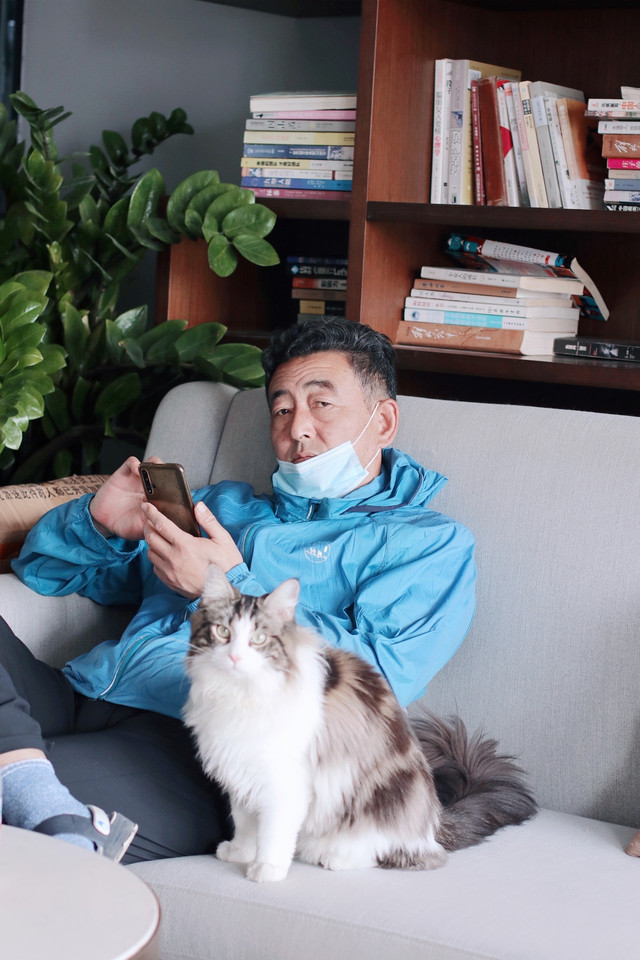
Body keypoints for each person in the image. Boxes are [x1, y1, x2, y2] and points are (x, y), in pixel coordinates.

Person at [0, 317, 476, 863]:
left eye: (322, 404)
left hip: (196, 748)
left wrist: (231, 586)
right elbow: (43, 572)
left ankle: (33, 796)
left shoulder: (426, 545)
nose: (297, 429)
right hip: (84, 692)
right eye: (282, 409)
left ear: (383, 420)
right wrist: (98, 523)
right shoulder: (221, 506)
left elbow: (377, 683)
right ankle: (32, 786)